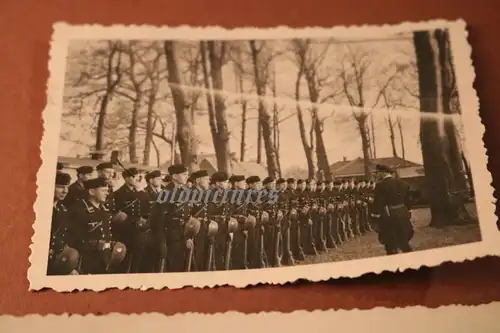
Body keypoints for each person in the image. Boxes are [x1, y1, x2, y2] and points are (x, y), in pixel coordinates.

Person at [68, 177, 127, 274]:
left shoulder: (104, 210)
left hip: (104, 258)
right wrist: (98, 244)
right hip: (86, 261)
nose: (107, 193)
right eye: (103, 190)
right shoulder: (78, 211)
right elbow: (73, 240)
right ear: (91, 192)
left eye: (107, 191)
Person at [150, 164, 193, 272]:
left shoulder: (183, 192)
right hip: (169, 235)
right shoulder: (165, 193)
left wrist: (188, 236)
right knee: (170, 267)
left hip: (182, 234)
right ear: (174, 176)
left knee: (181, 266)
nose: (186, 177)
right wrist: (161, 242)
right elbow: (158, 220)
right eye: (184, 174)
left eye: (187, 174)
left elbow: (187, 216)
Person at [371, 164, 414, 255]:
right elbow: (408, 201)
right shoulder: (403, 184)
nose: (376, 175)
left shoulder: (380, 186)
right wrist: (408, 212)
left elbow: (378, 203)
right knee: (403, 241)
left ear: (383, 173)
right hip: (403, 214)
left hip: (389, 216)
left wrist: (374, 218)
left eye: (377, 173)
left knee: (390, 244)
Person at [48, 172, 80, 275]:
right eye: (60, 187)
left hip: (58, 258)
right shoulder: (42, 208)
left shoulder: (62, 209)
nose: (65, 191)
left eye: (67, 187)